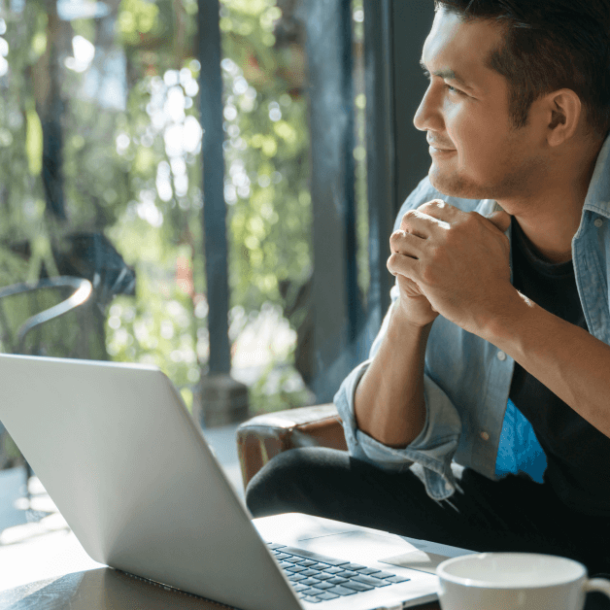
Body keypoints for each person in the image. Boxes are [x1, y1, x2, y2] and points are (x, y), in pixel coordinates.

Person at [246, 0, 610, 600]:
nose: (422, 115)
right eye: (427, 80)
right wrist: (410, 314)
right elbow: (383, 451)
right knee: (292, 489)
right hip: (534, 525)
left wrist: (498, 310)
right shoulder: (449, 204)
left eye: (455, 90)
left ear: (556, 117)